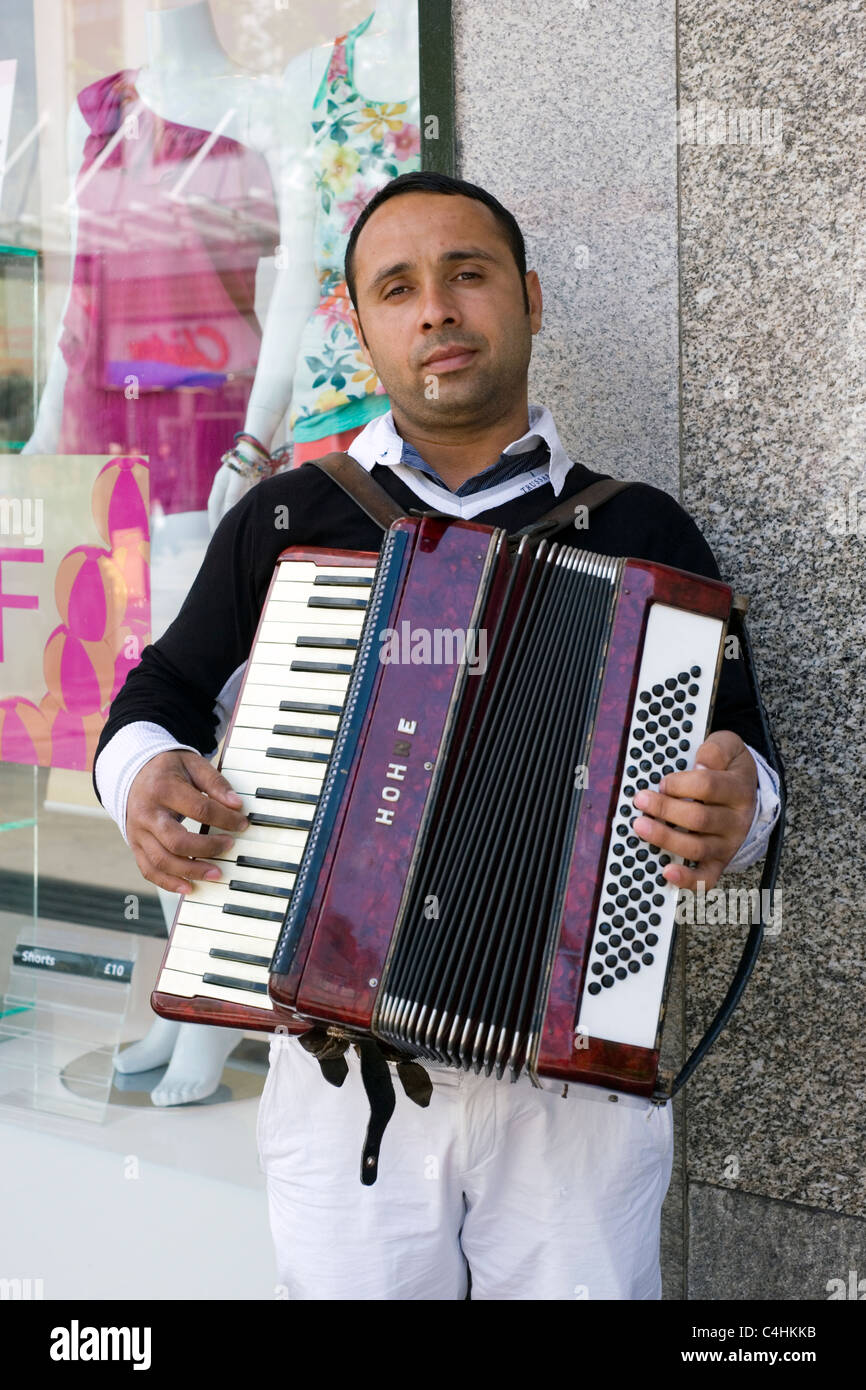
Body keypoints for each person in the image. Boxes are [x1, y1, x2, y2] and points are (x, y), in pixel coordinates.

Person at [93, 171, 781, 1300]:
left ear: (528, 296)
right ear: (362, 328)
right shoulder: (285, 519)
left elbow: (747, 764)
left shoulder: (641, 529)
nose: (436, 310)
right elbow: (156, 693)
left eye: (467, 274)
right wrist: (141, 777)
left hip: (575, 1092)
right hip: (334, 1075)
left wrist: (735, 808)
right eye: (398, 288)